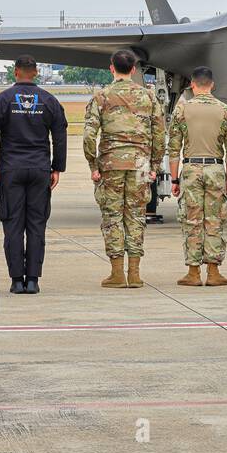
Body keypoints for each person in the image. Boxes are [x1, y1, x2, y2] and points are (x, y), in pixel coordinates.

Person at [0, 55, 68, 294]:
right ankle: (33, 280)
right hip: (40, 169)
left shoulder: (2, 100)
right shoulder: (49, 100)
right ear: (37, 72)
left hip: (11, 169)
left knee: (13, 224)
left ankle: (16, 280)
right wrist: (57, 167)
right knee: (36, 224)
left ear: (15, 72)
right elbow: (60, 135)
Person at [83, 49, 166, 289]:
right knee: (137, 216)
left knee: (112, 216)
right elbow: (159, 134)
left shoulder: (102, 96)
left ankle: (117, 273)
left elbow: (89, 135)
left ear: (112, 68)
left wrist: (93, 164)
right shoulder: (148, 97)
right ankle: (135, 273)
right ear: (133, 70)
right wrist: (155, 165)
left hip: (112, 163)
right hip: (140, 165)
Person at [167, 66, 227, 287]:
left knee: (192, 220)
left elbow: (173, 148)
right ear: (212, 85)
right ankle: (214, 271)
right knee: (214, 220)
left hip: (191, 169)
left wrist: (174, 179)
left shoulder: (182, 111)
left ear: (192, 84)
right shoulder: (226, 111)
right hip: (215, 169)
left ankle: (193, 272)